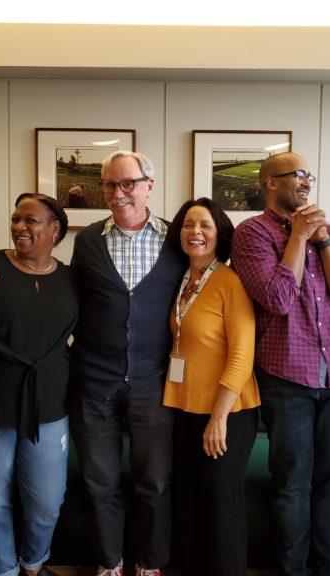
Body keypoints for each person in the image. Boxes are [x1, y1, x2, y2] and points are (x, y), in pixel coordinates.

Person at [230, 151, 330, 576]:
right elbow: (276, 299)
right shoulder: (251, 234)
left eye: (309, 176)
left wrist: (322, 239)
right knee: (292, 486)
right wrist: (299, 238)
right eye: (296, 175)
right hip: (287, 379)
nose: (305, 182)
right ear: (270, 182)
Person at [68, 151, 186, 576]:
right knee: (100, 482)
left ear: (149, 186)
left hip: (154, 382)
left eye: (128, 184)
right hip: (93, 380)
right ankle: (109, 562)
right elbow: (74, 302)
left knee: (153, 483)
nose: (118, 194)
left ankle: (151, 563)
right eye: (110, 186)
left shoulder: (177, 239)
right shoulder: (87, 241)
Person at [0, 193, 78, 576]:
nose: (19, 227)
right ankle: (3, 571)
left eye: (30, 220)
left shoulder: (70, 278)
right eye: (15, 219)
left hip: (47, 402)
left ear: (54, 229)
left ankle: (33, 564)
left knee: (47, 500)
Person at [163, 198, 260, 576]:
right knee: (191, 500)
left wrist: (218, 418)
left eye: (204, 225)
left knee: (223, 504)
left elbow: (241, 354)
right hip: (186, 407)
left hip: (228, 412)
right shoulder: (182, 279)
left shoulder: (230, 281)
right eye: (188, 225)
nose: (196, 232)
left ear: (220, 233)